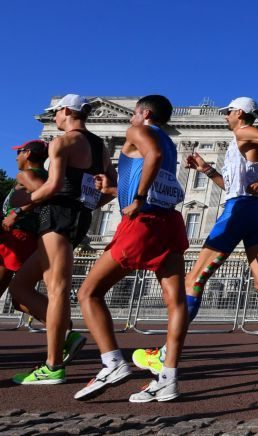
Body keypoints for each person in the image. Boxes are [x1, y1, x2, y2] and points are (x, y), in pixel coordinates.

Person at [132, 97, 258, 384]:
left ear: (240, 113)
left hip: (240, 210)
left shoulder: (244, 132)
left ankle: (166, 355)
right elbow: (231, 186)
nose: (225, 116)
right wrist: (206, 170)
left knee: (192, 280)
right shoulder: (238, 141)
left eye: (228, 111)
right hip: (255, 210)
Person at [73, 95, 189, 402]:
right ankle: (168, 379)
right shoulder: (170, 141)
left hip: (142, 224)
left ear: (144, 113)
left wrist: (135, 198)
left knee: (88, 292)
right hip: (168, 222)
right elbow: (153, 172)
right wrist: (115, 190)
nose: (130, 119)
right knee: (176, 303)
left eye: (133, 114)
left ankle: (112, 363)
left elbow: (151, 158)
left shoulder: (140, 132)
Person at [9, 94, 112, 384]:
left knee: (56, 289)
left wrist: (22, 204)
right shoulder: (100, 147)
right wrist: (87, 205)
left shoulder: (62, 142)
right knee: (20, 286)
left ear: (66, 111)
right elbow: (111, 187)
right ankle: (65, 336)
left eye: (56, 112)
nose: (54, 117)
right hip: (78, 218)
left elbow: (52, 186)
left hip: (56, 216)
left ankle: (53, 366)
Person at [0, 140, 48, 300]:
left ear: (27, 154)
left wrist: (16, 213)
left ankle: (58, 319)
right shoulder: (41, 175)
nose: (16, 158)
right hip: (23, 234)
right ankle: (58, 318)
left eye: (18, 152)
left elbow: (43, 193)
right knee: (19, 290)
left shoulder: (26, 174)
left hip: (18, 234)